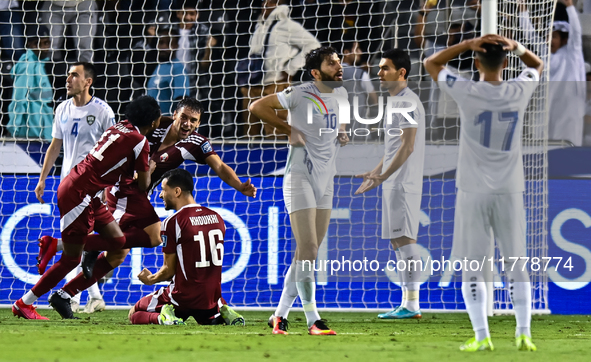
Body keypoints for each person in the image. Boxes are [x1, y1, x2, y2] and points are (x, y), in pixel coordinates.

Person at [44, 97, 256, 320]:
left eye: (193, 120)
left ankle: (66, 292)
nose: (187, 124)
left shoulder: (195, 143)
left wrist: (240, 186)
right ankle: (80, 250)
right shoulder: (154, 125)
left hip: (139, 195)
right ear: (173, 115)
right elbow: (123, 142)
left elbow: (219, 166)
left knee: (117, 255)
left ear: (198, 123)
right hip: (122, 189)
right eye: (183, 117)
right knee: (150, 238)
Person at [424, 34, 543, 351]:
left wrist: (467, 44)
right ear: (505, 63)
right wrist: (515, 47)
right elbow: (537, 64)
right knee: (516, 263)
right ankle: (523, 333)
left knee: (474, 266)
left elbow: (431, 63)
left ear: (477, 62)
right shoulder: (520, 89)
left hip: (473, 190)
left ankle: (482, 336)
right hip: (510, 189)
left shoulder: (467, 90)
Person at [12, 95, 162, 320]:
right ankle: (24, 303)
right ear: (153, 123)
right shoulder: (140, 141)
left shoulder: (119, 127)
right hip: (79, 194)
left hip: (87, 190)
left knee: (118, 240)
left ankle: (58, 245)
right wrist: (150, 167)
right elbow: (143, 184)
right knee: (71, 259)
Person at [250, 46, 349, 335]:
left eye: (339, 61)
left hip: (326, 180)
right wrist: (287, 129)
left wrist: (341, 130)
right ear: (316, 72)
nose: (339, 67)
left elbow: (339, 115)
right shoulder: (300, 93)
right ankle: (312, 319)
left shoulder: (341, 94)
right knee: (309, 248)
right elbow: (256, 107)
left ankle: (278, 315)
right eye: (332, 63)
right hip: (299, 177)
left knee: (306, 252)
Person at [35, 62, 115, 314]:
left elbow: (114, 151)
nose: (68, 79)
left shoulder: (103, 111)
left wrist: (106, 186)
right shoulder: (62, 108)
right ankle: (90, 297)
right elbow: (55, 146)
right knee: (79, 243)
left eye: (74, 75)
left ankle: (79, 297)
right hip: (68, 187)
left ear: (88, 81)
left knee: (80, 243)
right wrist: (42, 178)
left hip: (92, 186)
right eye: (68, 75)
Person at [354, 49, 426, 320]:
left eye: (385, 68)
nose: (379, 73)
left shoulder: (407, 102)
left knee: (405, 240)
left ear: (401, 73)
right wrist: (376, 173)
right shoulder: (397, 102)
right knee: (398, 242)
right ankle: (407, 303)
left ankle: (412, 305)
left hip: (403, 182)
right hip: (393, 181)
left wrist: (384, 176)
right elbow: (394, 147)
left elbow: (407, 147)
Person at [128, 168, 244, 326]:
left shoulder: (173, 221)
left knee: (134, 313)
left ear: (177, 191)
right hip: (210, 299)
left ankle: (163, 319)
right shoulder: (217, 218)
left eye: (163, 190)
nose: (161, 195)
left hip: (181, 297)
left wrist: (150, 279)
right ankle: (222, 311)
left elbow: (169, 271)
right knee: (208, 318)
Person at [240, 0, 320, 137]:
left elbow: (314, 45)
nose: (265, 4)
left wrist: (290, 69)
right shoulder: (259, 26)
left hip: (275, 86)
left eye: (270, 1)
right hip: (252, 87)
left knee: (276, 134)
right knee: (251, 135)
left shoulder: (287, 25)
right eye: (264, 1)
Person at [519, 0, 585, 146]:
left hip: (568, 112)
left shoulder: (573, 54)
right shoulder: (544, 53)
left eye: (554, 37)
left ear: (563, 39)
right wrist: (522, 10)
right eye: (548, 36)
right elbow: (530, 34)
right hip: (546, 110)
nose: (549, 40)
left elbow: (576, 32)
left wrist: (569, 6)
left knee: (568, 149)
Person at [6, 24, 53, 140]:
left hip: (43, 130)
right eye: (37, 43)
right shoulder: (27, 66)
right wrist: (13, 129)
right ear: (29, 45)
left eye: (46, 43)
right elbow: (19, 99)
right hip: (30, 133)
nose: (42, 47)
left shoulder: (40, 65)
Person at [147, 26, 191, 116]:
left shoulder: (177, 68)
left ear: (176, 46)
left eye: (168, 43)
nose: (164, 47)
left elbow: (183, 102)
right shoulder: (159, 66)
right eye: (161, 42)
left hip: (166, 125)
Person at [340, 36, 378, 133]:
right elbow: (374, 101)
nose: (360, 52)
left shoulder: (328, 74)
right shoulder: (360, 74)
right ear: (346, 52)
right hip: (357, 132)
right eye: (357, 49)